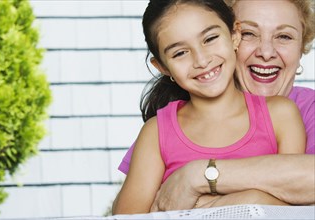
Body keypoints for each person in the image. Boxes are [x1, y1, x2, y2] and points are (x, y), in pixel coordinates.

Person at [117, 0, 315, 211]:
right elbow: (129, 213)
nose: (201, 60)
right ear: (163, 66)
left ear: (232, 36)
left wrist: (207, 197)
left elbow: (293, 210)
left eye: (284, 36)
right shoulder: (158, 131)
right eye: (250, 33)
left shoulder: (283, 114)